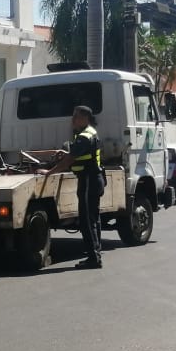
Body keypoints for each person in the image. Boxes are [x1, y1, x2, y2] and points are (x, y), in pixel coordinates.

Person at [41, 105, 105, 269]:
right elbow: (76, 154)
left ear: (85, 118)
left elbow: (69, 160)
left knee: (86, 221)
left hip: (89, 180)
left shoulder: (84, 136)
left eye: (76, 116)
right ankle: (96, 254)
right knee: (93, 219)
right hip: (93, 179)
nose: (73, 119)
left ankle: (93, 258)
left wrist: (49, 172)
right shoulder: (90, 133)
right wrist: (67, 154)